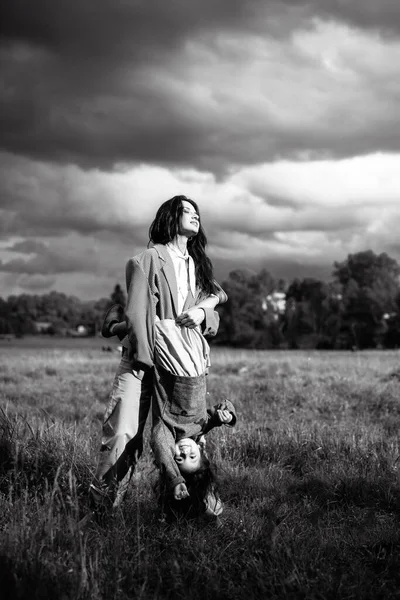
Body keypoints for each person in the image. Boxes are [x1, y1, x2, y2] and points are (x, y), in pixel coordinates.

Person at [90, 195, 227, 513]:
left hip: (179, 366)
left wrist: (205, 314)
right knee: (125, 434)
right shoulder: (147, 260)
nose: (195, 215)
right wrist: (143, 359)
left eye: (197, 212)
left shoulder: (198, 266)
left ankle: (198, 503)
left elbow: (214, 309)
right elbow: (139, 316)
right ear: (170, 217)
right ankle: (103, 510)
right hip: (143, 361)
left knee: (187, 435)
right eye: (187, 211)